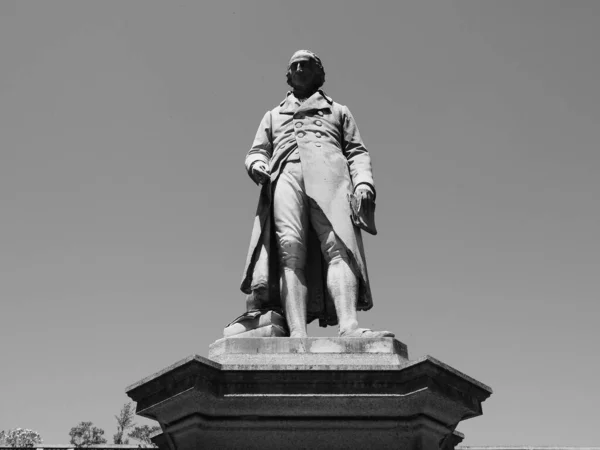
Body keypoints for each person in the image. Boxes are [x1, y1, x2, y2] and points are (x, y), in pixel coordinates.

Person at [239, 50, 393, 338]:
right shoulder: (273, 115)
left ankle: (349, 327)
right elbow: (257, 150)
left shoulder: (339, 111)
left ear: (319, 73)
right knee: (289, 251)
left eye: (305, 64)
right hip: (286, 175)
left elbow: (357, 152)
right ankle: (297, 334)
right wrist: (257, 163)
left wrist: (364, 184)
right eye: (293, 65)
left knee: (339, 248)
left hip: (332, 178)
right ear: (288, 74)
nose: (298, 68)